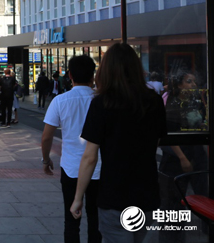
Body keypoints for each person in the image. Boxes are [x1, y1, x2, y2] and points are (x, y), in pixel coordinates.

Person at [70, 43, 167, 242]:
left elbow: (89, 157)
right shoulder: (154, 101)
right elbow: (155, 142)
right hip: (147, 193)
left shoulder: (102, 103)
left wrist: (78, 198)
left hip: (114, 195)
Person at [41, 55, 100, 243]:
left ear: (69, 75)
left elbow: (46, 136)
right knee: (96, 221)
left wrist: (46, 160)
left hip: (71, 169)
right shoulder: (102, 100)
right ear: (93, 76)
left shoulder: (60, 101)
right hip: (100, 170)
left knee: (71, 220)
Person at [158, 69, 207, 242]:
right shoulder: (171, 104)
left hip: (196, 155)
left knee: (204, 195)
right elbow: (168, 134)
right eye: (189, 81)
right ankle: (173, 236)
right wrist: (182, 158)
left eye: (194, 81)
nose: (193, 85)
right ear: (179, 85)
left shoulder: (195, 102)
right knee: (173, 202)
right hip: (175, 158)